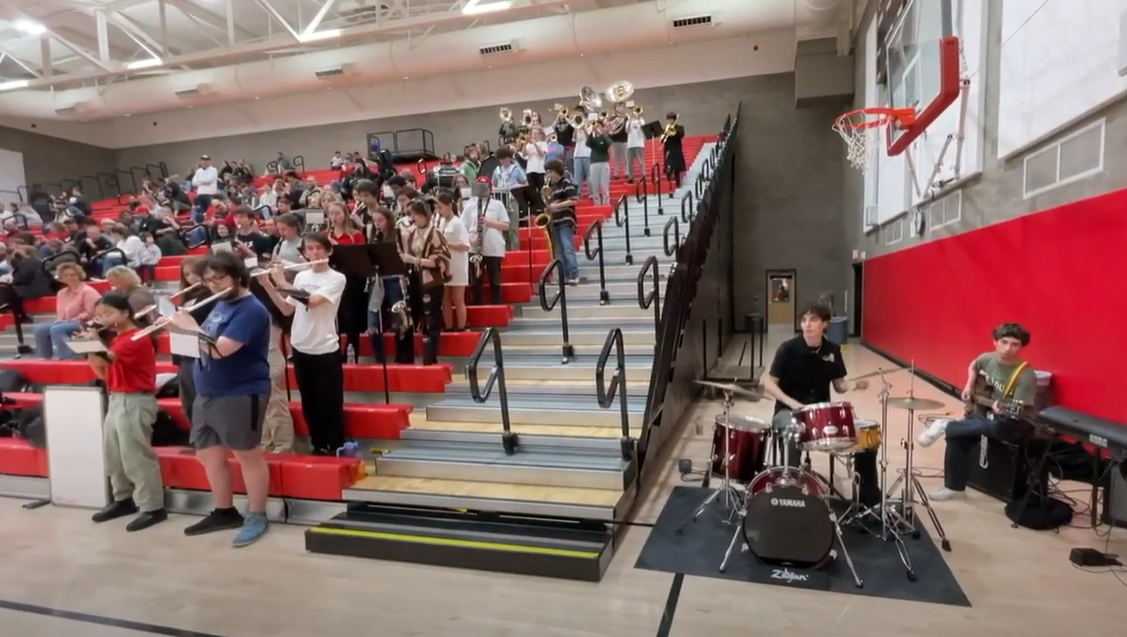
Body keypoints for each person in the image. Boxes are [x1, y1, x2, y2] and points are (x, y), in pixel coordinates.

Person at [168, 251, 273, 547]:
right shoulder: (221, 304)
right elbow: (201, 344)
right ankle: (224, 511)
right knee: (208, 455)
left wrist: (191, 327)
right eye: (209, 280)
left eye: (220, 278)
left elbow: (220, 349)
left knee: (247, 455)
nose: (214, 284)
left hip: (240, 391)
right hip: (207, 391)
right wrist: (176, 329)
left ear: (237, 276)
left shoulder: (250, 310)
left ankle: (257, 514)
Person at [759, 304, 880, 507]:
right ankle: (791, 494)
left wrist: (855, 384)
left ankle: (868, 500)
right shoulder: (787, 349)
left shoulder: (833, 350)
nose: (807, 324)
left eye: (813, 320)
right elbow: (769, 384)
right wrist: (793, 404)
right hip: (788, 412)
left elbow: (839, 386)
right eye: (804, 320)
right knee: (793, 430)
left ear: (824, 324)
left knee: (866, 435)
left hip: (823, 416)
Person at [917, 323, 1038, 502]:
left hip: (1016, 422)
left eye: (1015, 344)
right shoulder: (988, 358)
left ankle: (945, 425)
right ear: (995, 342)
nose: (1008, 348)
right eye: (1004, 342)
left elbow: (1019, 410)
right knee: (957, 435)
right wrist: (969, 385)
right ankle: (954, 488)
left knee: (996, 426)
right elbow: (974, 365)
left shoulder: (1025, 375)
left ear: (1021, 347)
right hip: (989, 414)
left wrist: (1003, 408)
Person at [258, 233, 347, 455]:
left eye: (319, 248)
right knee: (309, 402)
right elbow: (287, 308)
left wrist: (281, 282)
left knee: (330, 401)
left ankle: (335, 445)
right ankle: (318, 445)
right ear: (305, 253)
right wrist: (268, 284)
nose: (314, 253)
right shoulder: (301, 277)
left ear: (329, 251)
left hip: (325, 347)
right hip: (300, 346)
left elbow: (312, 302)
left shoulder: (336, 278)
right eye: (310, 249)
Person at [86, 293, 167, 532]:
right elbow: (102, 372)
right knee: (114, 455)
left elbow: (108, 360)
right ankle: (123, 499)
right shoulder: (116, 338)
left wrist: (93, 344)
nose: (103, 318)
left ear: (125, 313)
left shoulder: (136, 337)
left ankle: (152, 506)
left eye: (108, 313)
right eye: (99, 315)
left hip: (135, 400)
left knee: (136, 456)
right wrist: (90, 348)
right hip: (117, 398)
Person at [399, 201, 451, 365]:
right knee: (418, 315)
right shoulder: (411, 233)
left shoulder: (435, 233)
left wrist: (417, 260)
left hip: (431, 281)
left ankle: (430, 357)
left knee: (432, 318)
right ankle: (421, 353)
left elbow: (442, 259)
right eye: (412, 214)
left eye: (415, 214)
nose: (413, 218)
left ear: (424, 215)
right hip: (415, 278)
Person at [33, 262, 101, 360]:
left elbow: (90, 314)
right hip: (66, 322)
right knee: (40, 329)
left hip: (86, 323)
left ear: (79, 275)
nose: (69, 278)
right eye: (66, 276)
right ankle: (45, 358)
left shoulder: (88, 291)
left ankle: (67, 358)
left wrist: (69, 320)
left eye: (72, 275)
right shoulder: (61, 293)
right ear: (61, 278)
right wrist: (61, 320)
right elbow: (61, 313)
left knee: (57, 329)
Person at [461, 179, 508, 305]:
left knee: (495, 280)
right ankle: (477, 306)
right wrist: (470, 239)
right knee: (475, 281)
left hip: (493, 248)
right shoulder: (470, 205)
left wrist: (489, 222)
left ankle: (497, 306)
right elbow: (463, 227)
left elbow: (506, 225)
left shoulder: (498, 205)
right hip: (474, 248)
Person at [434, 190, 470, 331]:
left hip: (457, 264)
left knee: (458, 299)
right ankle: (448, 326)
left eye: (441, 207)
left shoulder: (458, 223)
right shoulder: (441, 222)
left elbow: (465, 245)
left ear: (449, 206)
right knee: (445, 300)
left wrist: (446, 243)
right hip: (445, 265)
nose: (439, 211)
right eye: (437, 208)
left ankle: (461, 326)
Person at [544, 159, 580, 285]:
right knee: (559, 250)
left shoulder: (566, 182)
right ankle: (563, 276)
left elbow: (574, 200)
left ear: (556, 171)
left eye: (550, 172)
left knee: (567, 247)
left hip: (565, 219)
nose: (549, 175)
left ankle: (574, 274)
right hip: (555, 220)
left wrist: (556, 205)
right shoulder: (550, 186)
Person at [662, 112, 686, 188]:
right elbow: (662, 140)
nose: (669, 121)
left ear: (674, 119)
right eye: (668, 119)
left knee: (676, 167)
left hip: (676, 148)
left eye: (671, 119)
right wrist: (665, 133)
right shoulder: (666, 128)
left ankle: (678, 183)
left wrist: (674, 128)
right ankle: (669, 184)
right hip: (668, 149)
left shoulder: (679, 127)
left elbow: (681, 135)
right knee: (668, 166)